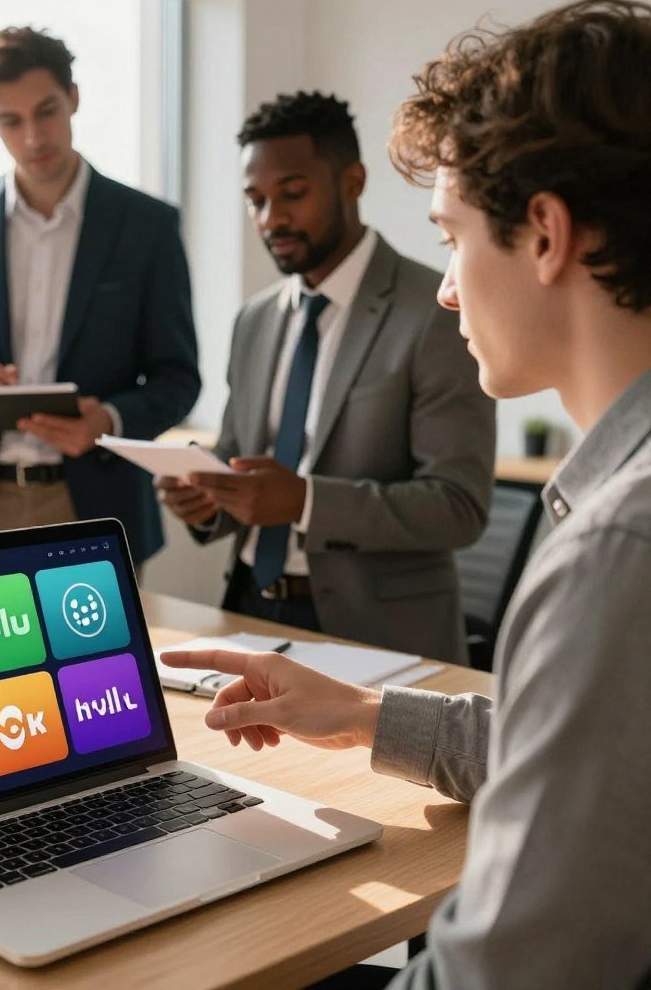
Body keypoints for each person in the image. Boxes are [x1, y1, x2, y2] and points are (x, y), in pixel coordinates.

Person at [164, 0, 651, 989]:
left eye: (451, 235)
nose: (445, 286)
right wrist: (363, 716)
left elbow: (505, 970)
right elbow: (576, 746)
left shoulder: (614, 549)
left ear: (546, 235)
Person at [157, 92, 494, 663]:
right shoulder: (255, 319)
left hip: (376, 631)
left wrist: (305, 501)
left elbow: (458, 506)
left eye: (292, 194)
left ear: (352, 182)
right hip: (248, 606)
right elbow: (240, 457)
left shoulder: (436, 311)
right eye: (255, 200)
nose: (271, 219)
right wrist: (207, 498)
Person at [0, 26, 199, 564]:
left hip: (98, 506)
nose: (34, 136)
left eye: (47, 111)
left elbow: (178, 376)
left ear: (74, 99)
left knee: (102, 654)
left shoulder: (146, 226)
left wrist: (106, 420)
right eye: (12, 120)